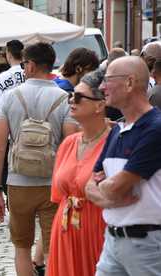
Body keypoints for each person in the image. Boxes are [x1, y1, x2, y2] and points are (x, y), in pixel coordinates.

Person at [0, 42, 77, 276]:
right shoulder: (64, 99)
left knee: (22, 248)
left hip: (19, 183)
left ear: (29, 65)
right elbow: (71, 145)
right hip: (54, 184)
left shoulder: (9, 98)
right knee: (51, 249)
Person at [86, 56, 161, 276]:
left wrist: (104, 191)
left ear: (129, 83)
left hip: (146, 245)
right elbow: (89, 185)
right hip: (113, 242)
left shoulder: (155, 129)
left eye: (108, 79)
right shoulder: (117, 130)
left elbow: (118, 186)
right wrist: (106, 194)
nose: (101, 87)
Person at [47, 69, 110, 276]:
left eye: (80, 97)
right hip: (65, 229)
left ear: (100, 105)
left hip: (97, 228)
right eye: (71, 96)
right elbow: (58, 196)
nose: (72, 101)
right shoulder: (68, 143)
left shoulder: (115, 142)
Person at [0, 40, 25, 196]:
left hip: (8, 130)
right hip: (30, 128)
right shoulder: (29, 74)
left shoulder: (3, 77)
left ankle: (10, 196)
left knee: (5, 165)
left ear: (8, 54)